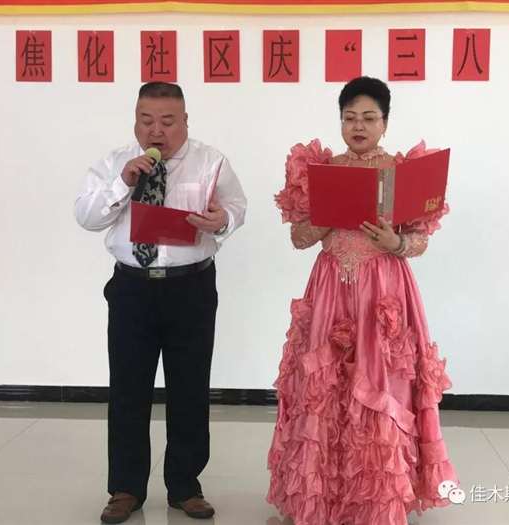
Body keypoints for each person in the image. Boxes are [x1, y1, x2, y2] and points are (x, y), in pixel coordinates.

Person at [267, 76, 459, 525]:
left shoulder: (402, 172)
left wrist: (396, 242)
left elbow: (419, 241)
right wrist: (326, 217)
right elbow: (299, 238)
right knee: (325, 386)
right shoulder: (319, 170)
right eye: (350, 117)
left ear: (385, 123)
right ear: (340, 121)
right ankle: (324, 499)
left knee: (382, 380)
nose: (359, 126)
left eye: (369, 118)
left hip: (384, 291)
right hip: (332, 287)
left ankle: (378, 500)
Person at [75, 81, 246, 524]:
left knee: (190, 388)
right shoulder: (115, 163)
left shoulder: (211, 161)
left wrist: (222, 219)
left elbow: (237, 207)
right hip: (132, 289)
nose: (156, 130)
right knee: (128, 389)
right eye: (147, 120)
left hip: (191, 287)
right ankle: (125, 488)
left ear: (185, 121)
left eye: (168, 121)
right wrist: (123, 182)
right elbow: (86, 216)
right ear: (135, 121)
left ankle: (185, 486)